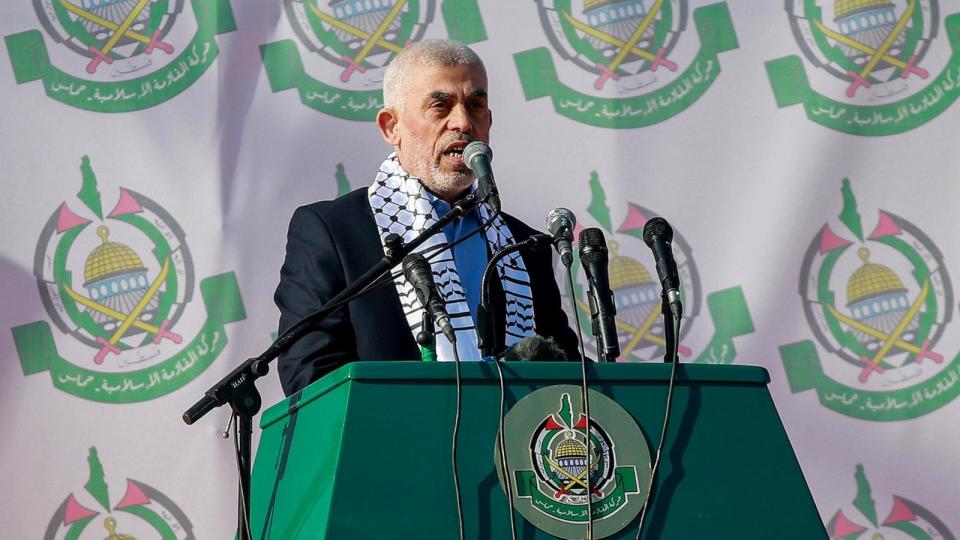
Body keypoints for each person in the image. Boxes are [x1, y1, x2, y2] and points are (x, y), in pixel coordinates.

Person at [275, 40, 579, 397]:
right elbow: (310, 372)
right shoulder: (335, 231)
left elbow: (567, 377)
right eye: (441, 106)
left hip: (512, 445)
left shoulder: (523, 244)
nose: (463, 123)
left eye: (476, 105)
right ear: (392, 127)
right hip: (394, 444)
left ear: (489, 122)